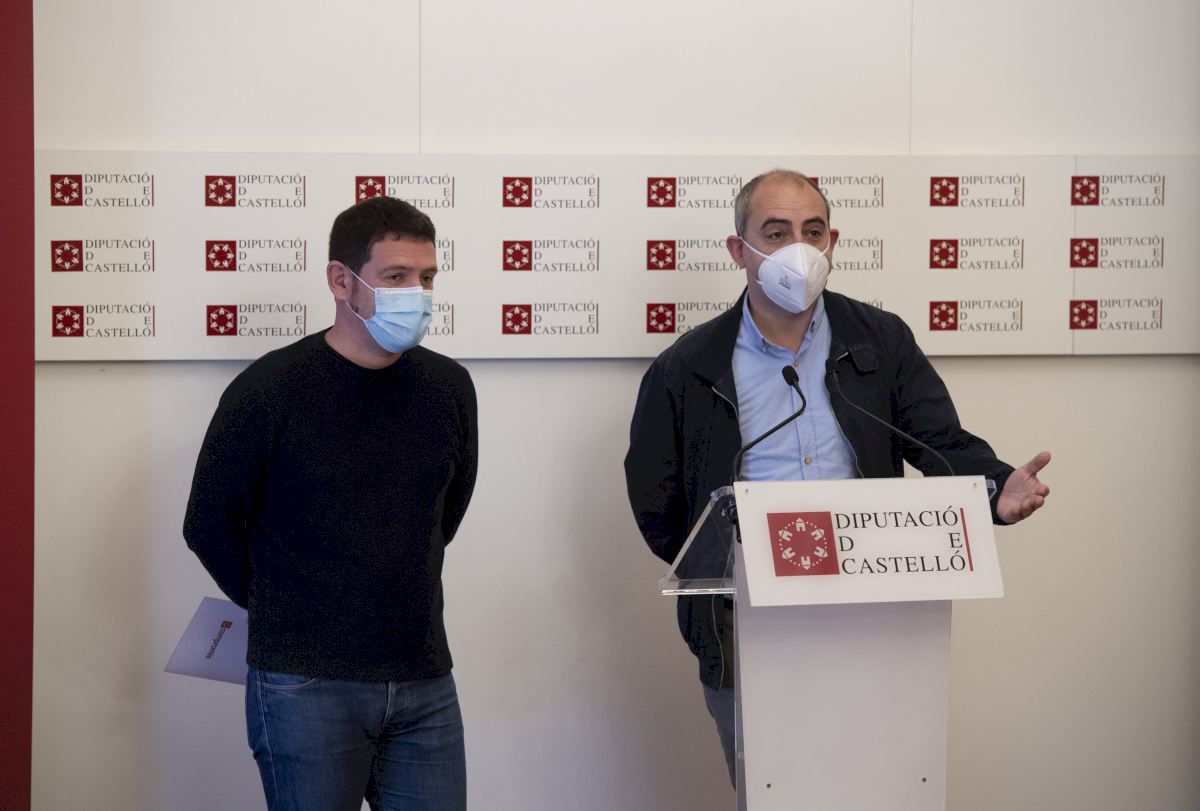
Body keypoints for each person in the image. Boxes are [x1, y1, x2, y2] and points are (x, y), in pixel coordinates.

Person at [623, 169, 1050, 786]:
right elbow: (657, 504)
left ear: (833, 242)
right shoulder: (687, 366)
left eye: (813, 231)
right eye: (776, 233)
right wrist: (724, 563)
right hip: (745, 619)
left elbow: (938, 441)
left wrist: (996, 486)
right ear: (739, 250)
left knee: (880, 783)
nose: (798, 248)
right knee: (774, 789)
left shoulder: (881, 339)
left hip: (871, 605)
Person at [184, 196, 478, 811]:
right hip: (304, 681)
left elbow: (442, 515)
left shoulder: (449, 387)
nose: (417, 294)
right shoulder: (269, 389)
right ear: (341, 281)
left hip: (423, 675)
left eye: (427, 277)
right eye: (395, 276)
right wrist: (289, 604)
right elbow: (208, 522)